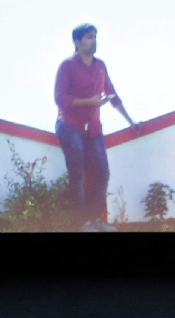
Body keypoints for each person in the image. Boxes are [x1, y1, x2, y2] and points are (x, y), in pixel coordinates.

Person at [54, 23, 132, 231]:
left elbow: (112, 95)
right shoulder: (67, 66)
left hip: (94, 129)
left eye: (95, 37)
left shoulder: (100, 66)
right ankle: (81, 223)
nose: (94, 41)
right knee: (78, 174)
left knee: (103, 172)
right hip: (70, 126)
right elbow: (60, 98)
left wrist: (131, 122)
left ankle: (96, 219)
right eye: (89, 37)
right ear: (77, 41)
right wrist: (90, 101)